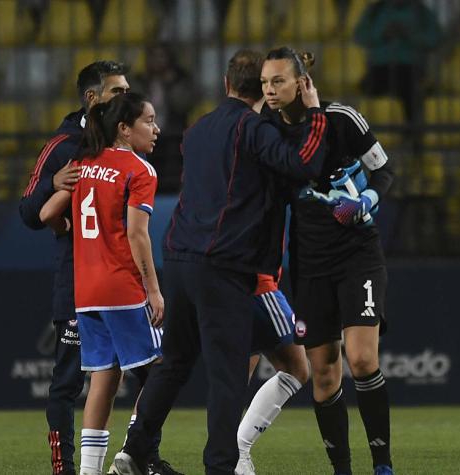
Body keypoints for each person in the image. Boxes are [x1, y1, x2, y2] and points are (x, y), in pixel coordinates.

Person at [111, 49, 328, 475]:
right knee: (227, 376)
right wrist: (314, 112)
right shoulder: (254, 129)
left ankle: (134, 452)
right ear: (261, 89)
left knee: (173, 362)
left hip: (179, 258)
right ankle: (221, 467)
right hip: (224, 266)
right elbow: (303, 165)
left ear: (226, 85)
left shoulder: (197, 131)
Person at [257, 47, 395, 475]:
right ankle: (342, 469)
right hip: (310, 264)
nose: (270, 90)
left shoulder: (341, 119)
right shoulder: (266, 131)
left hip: (357, 255)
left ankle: (382, 464)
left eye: (278, 81)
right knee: (324, 375)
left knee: (363, 359)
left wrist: (368, 199)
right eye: (264, 83)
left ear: (301, 83)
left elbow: (385, 171)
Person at [38, 92, 164, 475]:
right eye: (149, 121)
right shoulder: (139, 170)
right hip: (122, 288)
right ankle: (131, 454)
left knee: (104, 377)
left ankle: (91, 471)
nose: (156, 129)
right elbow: (137, 235)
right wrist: (155, 290)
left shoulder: (84, 163)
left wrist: (68, 227)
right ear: (124, 129)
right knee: (162, 372)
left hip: (85, 291)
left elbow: (46, 214)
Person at [234, 176, 310, 475]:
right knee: (297, 367)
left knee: (237, 378)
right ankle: (237, 451)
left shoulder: (225, 173)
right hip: (257, 283)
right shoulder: (263, 178)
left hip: (232, 282)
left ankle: (229, 454)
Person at [354, 0, 442, 127]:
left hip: (410, 67)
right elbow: (360, 35)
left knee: (409, 89)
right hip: (380, 68)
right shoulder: (376, 10)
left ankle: (410, 131)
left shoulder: (420, 11)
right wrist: (382, 34)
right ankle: (370, 133)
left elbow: (435, 37)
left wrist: (410, 35)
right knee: (369, 88)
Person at [131, 42, 195, 193]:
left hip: (173, 137)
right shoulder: (140, 81)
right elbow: (133, 106)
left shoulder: (181, 79)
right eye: (154, 57)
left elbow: (182, 104)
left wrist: (169, 83)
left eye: (162, 57)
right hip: (145, 137)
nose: (158, 61)